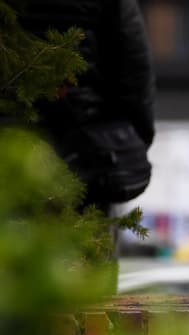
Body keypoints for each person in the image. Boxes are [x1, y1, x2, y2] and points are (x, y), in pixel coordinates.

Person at [17, 0, 156, 215]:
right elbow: (134, 73)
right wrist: (126, 145)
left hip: (14, 137)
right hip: (83, 147)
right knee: (80, 227)